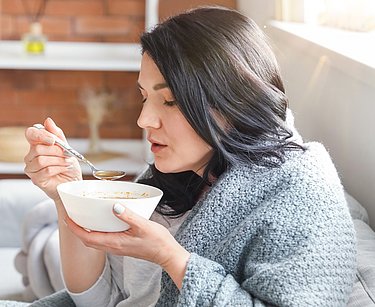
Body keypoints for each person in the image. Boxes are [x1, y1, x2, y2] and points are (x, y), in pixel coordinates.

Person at [21, 6, 356, 307]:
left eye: (169, 101)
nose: (144, 120)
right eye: (143, 97)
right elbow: (100, 299)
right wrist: (67, 193)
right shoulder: (175, 179)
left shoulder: (301, 193)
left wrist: (170, 257)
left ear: (233, 101)